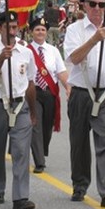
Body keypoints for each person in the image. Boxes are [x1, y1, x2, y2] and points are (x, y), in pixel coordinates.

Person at [62, 0, 105, 209]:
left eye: (102, 4)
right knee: (79, 143)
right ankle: (80, 184)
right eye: (93, 4)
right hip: (80, 92)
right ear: (84, 6)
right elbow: (74, 58)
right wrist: (95, 39)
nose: (98, 9)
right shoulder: (74, 30)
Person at [0, 11, 37, 209]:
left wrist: (33, 111)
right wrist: (1, 58)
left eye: (15, 27)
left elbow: (30, 83)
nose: (13, 31)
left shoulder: (25, 51)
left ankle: (21, 197)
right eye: (9, 27)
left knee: (21, 150)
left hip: (20, 106)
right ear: (0, 28)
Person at [27, 17, 70, 174]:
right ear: (31, 32)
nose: (40, 32)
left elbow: (61, 72)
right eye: (37, 29)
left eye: (43, 30)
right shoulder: (26, 50)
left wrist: (68, 87)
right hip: (33, 92)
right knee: (35, 125)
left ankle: (41, 150)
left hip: (50, 93)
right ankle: (39, 161)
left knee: (47, 127)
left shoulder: (53, 51)